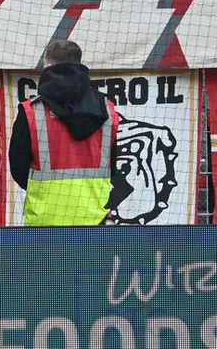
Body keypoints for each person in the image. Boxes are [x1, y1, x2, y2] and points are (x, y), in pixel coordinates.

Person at [8, 39, 128, 226]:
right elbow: (113, 164)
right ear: (79, 63)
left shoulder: (31, 111)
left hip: (44, 221)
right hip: (96, 220)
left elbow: (18, 168)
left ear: (47, 65)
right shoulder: (107, 109)